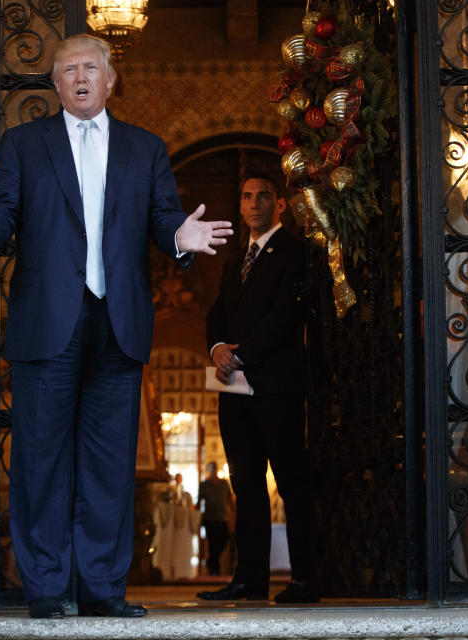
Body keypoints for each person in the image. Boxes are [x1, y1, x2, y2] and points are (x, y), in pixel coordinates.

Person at [0, 34, 232, 619]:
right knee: (41, 460)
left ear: (109, 79)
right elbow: (3, 211)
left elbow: (164, 216)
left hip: (117, 321)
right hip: (48, 320)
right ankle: (46, 588)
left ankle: (101, 590)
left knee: (109, 464)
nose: (79, 77)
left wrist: (181, 237)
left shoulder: (144, 148)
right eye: (68, 70)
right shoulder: (24, 143)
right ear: (55, 84)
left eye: (89, 69)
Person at [198, 174, 319, 604]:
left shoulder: (297, 252)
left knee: (291, 483)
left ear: (279, 204)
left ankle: (305, 579)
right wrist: (216, 349)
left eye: (262, 196)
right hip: (234, 391)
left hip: (277, 388)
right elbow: (216, 313)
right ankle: (250, 579)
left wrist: (242, 354)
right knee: (245, 484)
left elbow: (287, 315)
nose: (253, 204)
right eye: (246, 196)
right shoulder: (235, 261)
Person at [198, 461, 233, 575]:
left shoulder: (224, 483)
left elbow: (229, 499)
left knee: (223, 540)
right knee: (212, 544)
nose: (213, 470)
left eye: (214, 468)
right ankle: (214, 569)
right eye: (211, 468)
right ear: (208, 470)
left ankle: (211, 563)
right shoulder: (204, 485)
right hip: (209, 518)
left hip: (222, 518)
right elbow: (199, 502)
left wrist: (235, 513)